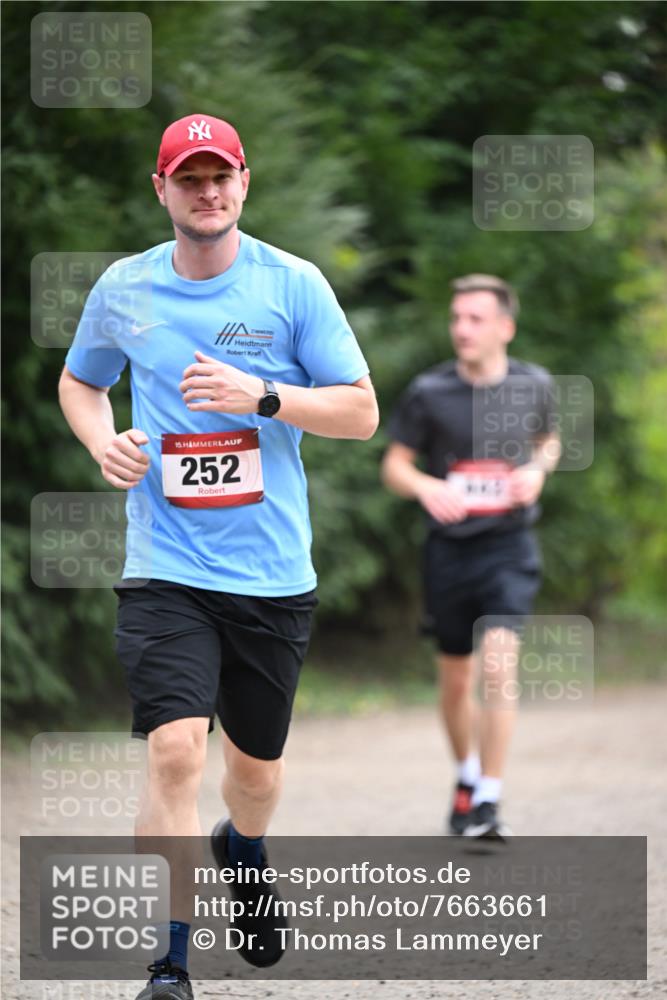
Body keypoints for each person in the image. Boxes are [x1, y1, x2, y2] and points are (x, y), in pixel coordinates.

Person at [59, 113, 378, 999]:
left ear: (244, 182)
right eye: (188, 179)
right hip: (166, 565)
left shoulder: (293, 285)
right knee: (172, 753)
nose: (207, 192)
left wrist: (265, 396)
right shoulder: (125, 289)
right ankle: (170, 961)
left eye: (220, 176)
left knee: (255, 775)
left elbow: (360, 412)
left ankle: (244, 848)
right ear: (159, 189)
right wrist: (100, 442)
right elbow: (82, 379)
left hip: (272, 576)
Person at [382, 274, 560, 842]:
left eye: (475, 319)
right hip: (448, 553)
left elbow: (547, 441)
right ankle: (465, 776)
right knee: (456, 679)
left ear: (505, 327)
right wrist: (427, 488)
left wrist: (537, 471)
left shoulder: (535, 384)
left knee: (498, 665)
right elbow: (394, 467)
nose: (462, 329)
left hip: (508, 547)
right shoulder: (429, 392)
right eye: (457, 318)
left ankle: (488, 798)